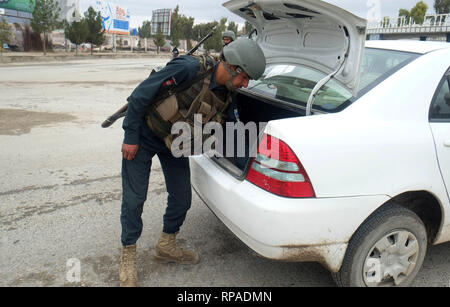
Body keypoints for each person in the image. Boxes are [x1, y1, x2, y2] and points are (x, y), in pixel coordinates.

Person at [119, 38, 266, 287]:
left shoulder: (229, 94)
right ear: (232, 67)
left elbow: (231, 130)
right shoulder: (188, 69)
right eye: (245, 77)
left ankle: (166, 245)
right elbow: (141, 95)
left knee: (182, 198)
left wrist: (255, 160)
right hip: (144, 135)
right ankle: (128, 254)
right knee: (134, 199)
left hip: (174, 144)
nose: (246, 84)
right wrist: (130, 136)